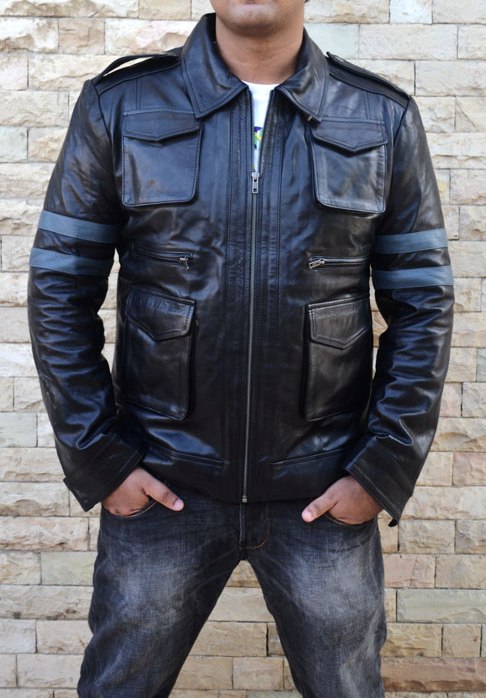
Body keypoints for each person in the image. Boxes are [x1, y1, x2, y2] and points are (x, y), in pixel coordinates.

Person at [27, 1, 454, 696]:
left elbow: (423, 305)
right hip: (163, 485)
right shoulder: (121, 105)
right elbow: (59, 290)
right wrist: (101, 459)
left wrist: (382, 469)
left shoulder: (381, 116)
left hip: (322, 488)